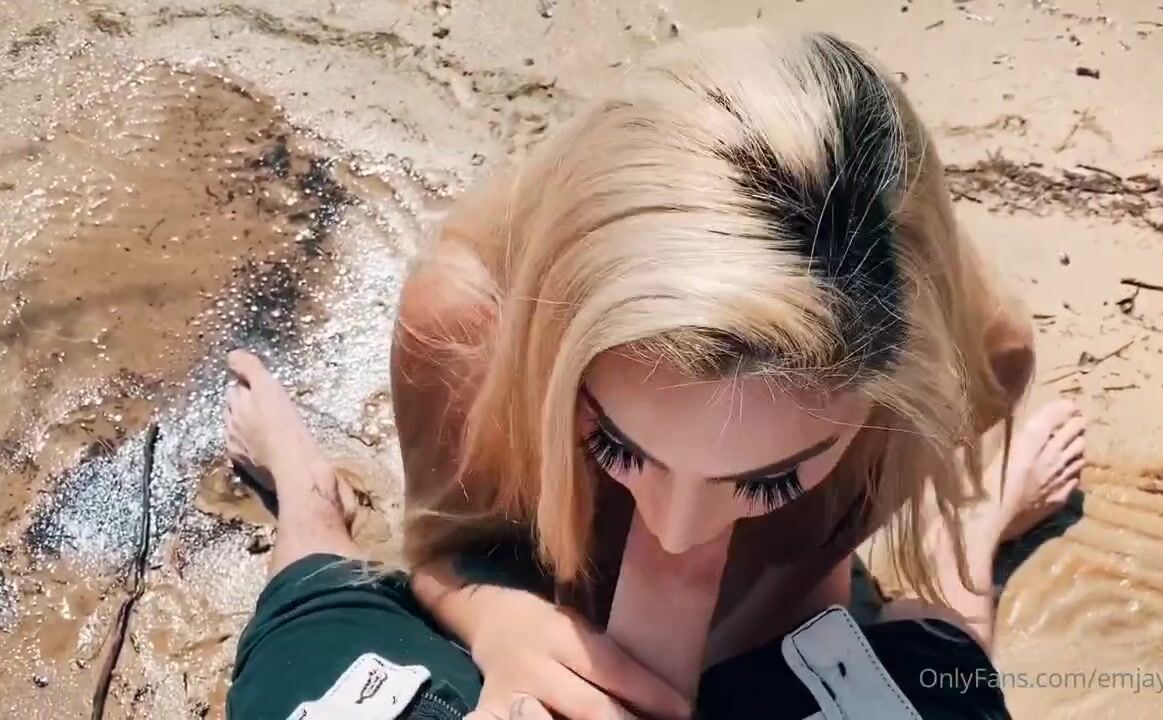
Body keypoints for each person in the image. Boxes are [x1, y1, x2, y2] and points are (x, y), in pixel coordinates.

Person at [226, 28, 1086, 720]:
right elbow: (447, 549)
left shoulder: (970, 368)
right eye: (618, 444)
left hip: (774, 624)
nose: (677, 534)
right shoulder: (466, 329)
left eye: (772, 478)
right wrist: (498, 619)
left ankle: (961, 540)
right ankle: (312, 504)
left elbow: (814, 559)